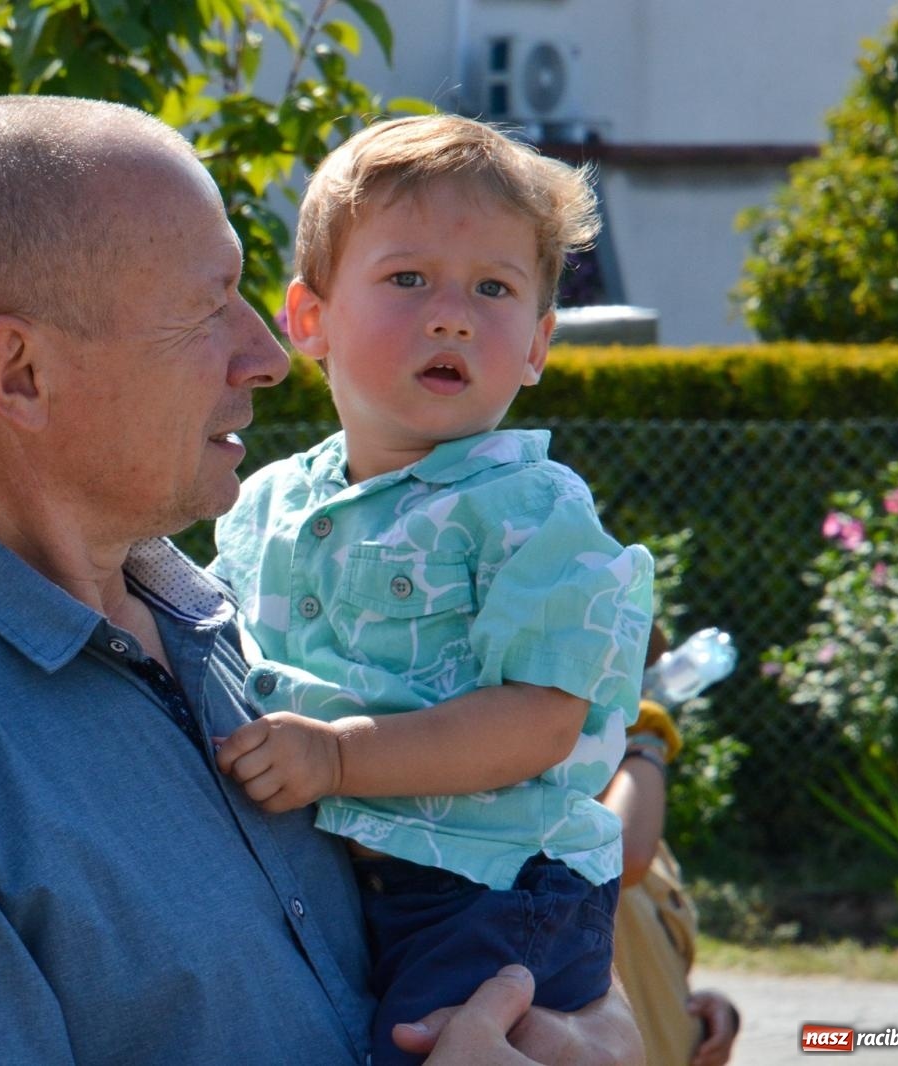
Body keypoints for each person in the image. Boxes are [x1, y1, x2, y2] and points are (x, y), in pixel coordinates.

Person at [0, 95, 642, 1065]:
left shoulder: (227, 626)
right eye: (204, 308)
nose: (267, 355)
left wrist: (589, 1032)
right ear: (20, 372)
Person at [210, 114, 654, 1066]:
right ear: (309, 318)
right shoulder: (264, 506)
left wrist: (334, 757)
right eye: (408, 278)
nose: (451, 313)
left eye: (493, 288)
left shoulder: (534, 512)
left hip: (501, 891)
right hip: (356, 884)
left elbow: (536, 722)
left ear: (537, 345)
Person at [601, 627, 741, 1066]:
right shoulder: (561, 826)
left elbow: (650, 969)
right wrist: (644, 747)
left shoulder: (646, 826)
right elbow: (622, 860)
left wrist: (711, 1011)